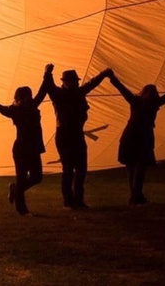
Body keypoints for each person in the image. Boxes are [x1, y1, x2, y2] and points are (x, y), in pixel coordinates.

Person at [110, 70, 165, 205]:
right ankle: (137, 195)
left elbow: (122, 88)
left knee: (131, 167)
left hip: (130, 136)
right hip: (143, 137)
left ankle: (135, 195)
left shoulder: (135, 101)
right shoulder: (154, 103)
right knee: (140, 167)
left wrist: (111, 77)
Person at [0, 68, 48, 215]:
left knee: (37, 177)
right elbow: (0, 108)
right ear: (20, 99)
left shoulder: (33, 105)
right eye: (25, 98)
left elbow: (43, 91)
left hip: (33, 148)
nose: (28, 99)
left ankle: (15, 189)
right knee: (22, 178)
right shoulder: (15, 110)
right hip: (21, 148)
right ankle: (22, 210)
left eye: (29, 97)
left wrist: (47, 74)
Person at [42, 64, 113, 209]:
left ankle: (77, 200)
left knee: (81, 168)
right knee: (68, 168)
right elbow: (49, 86)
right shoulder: (59, 94)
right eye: (73, 81)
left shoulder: (75, 92)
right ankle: (69, 201)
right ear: (65, 82)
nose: (76, 84)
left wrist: (104, 73)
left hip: (75, 134)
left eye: (76, 82)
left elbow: (92, 83)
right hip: (65, 135)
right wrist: (47, 73)